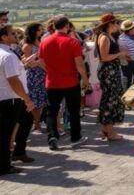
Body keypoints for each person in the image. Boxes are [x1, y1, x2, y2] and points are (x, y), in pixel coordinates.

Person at [39, 16, 89, 150]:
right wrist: (85, 79)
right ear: (66, 26)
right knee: (73, 110)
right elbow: (79, 64)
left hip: (52, 82)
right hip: (70, 82)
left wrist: (51, 71)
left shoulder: (44, 42)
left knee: (52, 111)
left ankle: (52, 136)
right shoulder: (72, 42)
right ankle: (75, 137)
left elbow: (42, 62)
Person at [0, 24, 35, 176]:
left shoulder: (6, 53)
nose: (15, 35)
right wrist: (27, 99)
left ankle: (18, 152)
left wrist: (25, 65)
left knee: (27, 119)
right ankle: (4, 165)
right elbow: (13, 80)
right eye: (12, 33)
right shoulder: (7, 56)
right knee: (5, 133)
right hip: (11, 98)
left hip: (9, 97)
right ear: (4, 37)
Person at [95, 13, 128, 141]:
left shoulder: (108, 36)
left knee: (111, 98)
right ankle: (110, 131)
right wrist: (120, 53)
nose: (117, 25)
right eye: (116, 23)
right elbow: (104, 57)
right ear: (109, 25)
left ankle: (107, 129)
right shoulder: (105, 37)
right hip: (108, 71)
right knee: (110, 100)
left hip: (111, 70)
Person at [21, 23, 47, 131]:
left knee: (41, 101)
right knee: (34, 102)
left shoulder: (40, 42)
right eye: (39, 30)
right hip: (33, 76)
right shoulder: (27, 45)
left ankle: (37, 122)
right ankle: (37, 123)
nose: (42, 31)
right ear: (33, 31)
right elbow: (28, 64)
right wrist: (40, 63)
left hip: (42, 74)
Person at [118, 20, 134, 88]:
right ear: (129, 30)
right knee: (128, 80)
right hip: (128, 63)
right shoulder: (122, 39)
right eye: (133, 28)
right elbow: (125, 55)